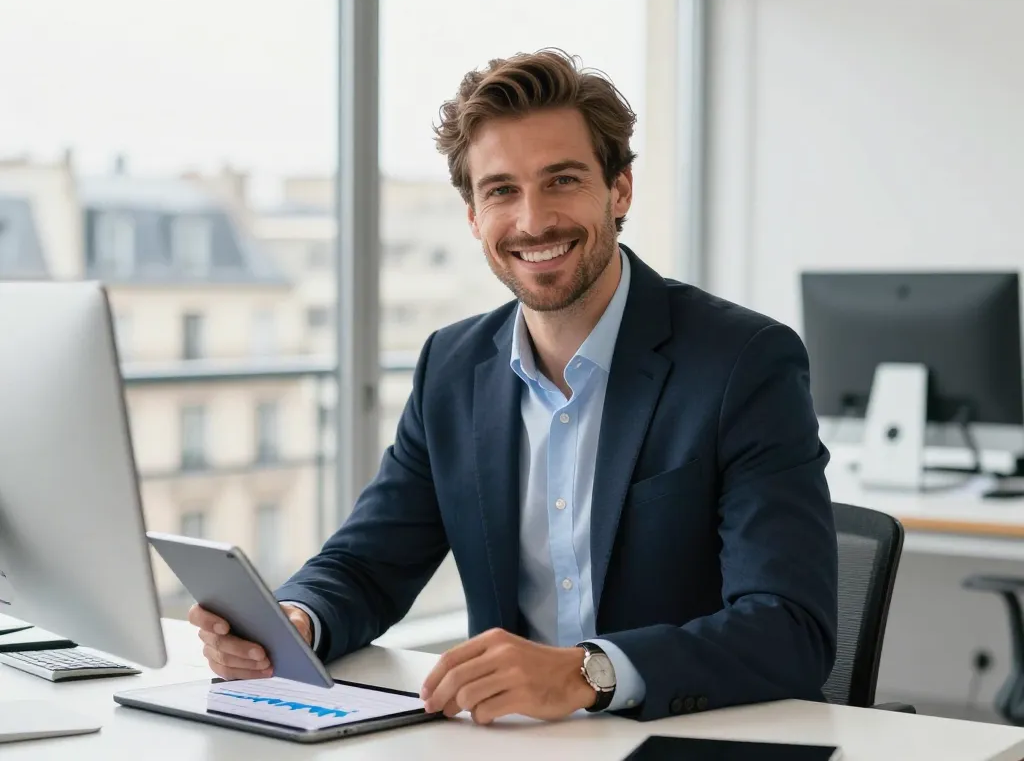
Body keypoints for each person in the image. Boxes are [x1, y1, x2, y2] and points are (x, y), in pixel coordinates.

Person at [189, 48, 838, 725]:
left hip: (691, 737)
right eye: (501, 190)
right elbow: (367, 563)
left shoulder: (743, 363)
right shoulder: (452, 364)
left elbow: (789, 627)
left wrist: (590, 671)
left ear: (619, 191)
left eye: (561, 180)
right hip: (517, 742)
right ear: (473, 215)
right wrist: (297, 620)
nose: (532, 221)